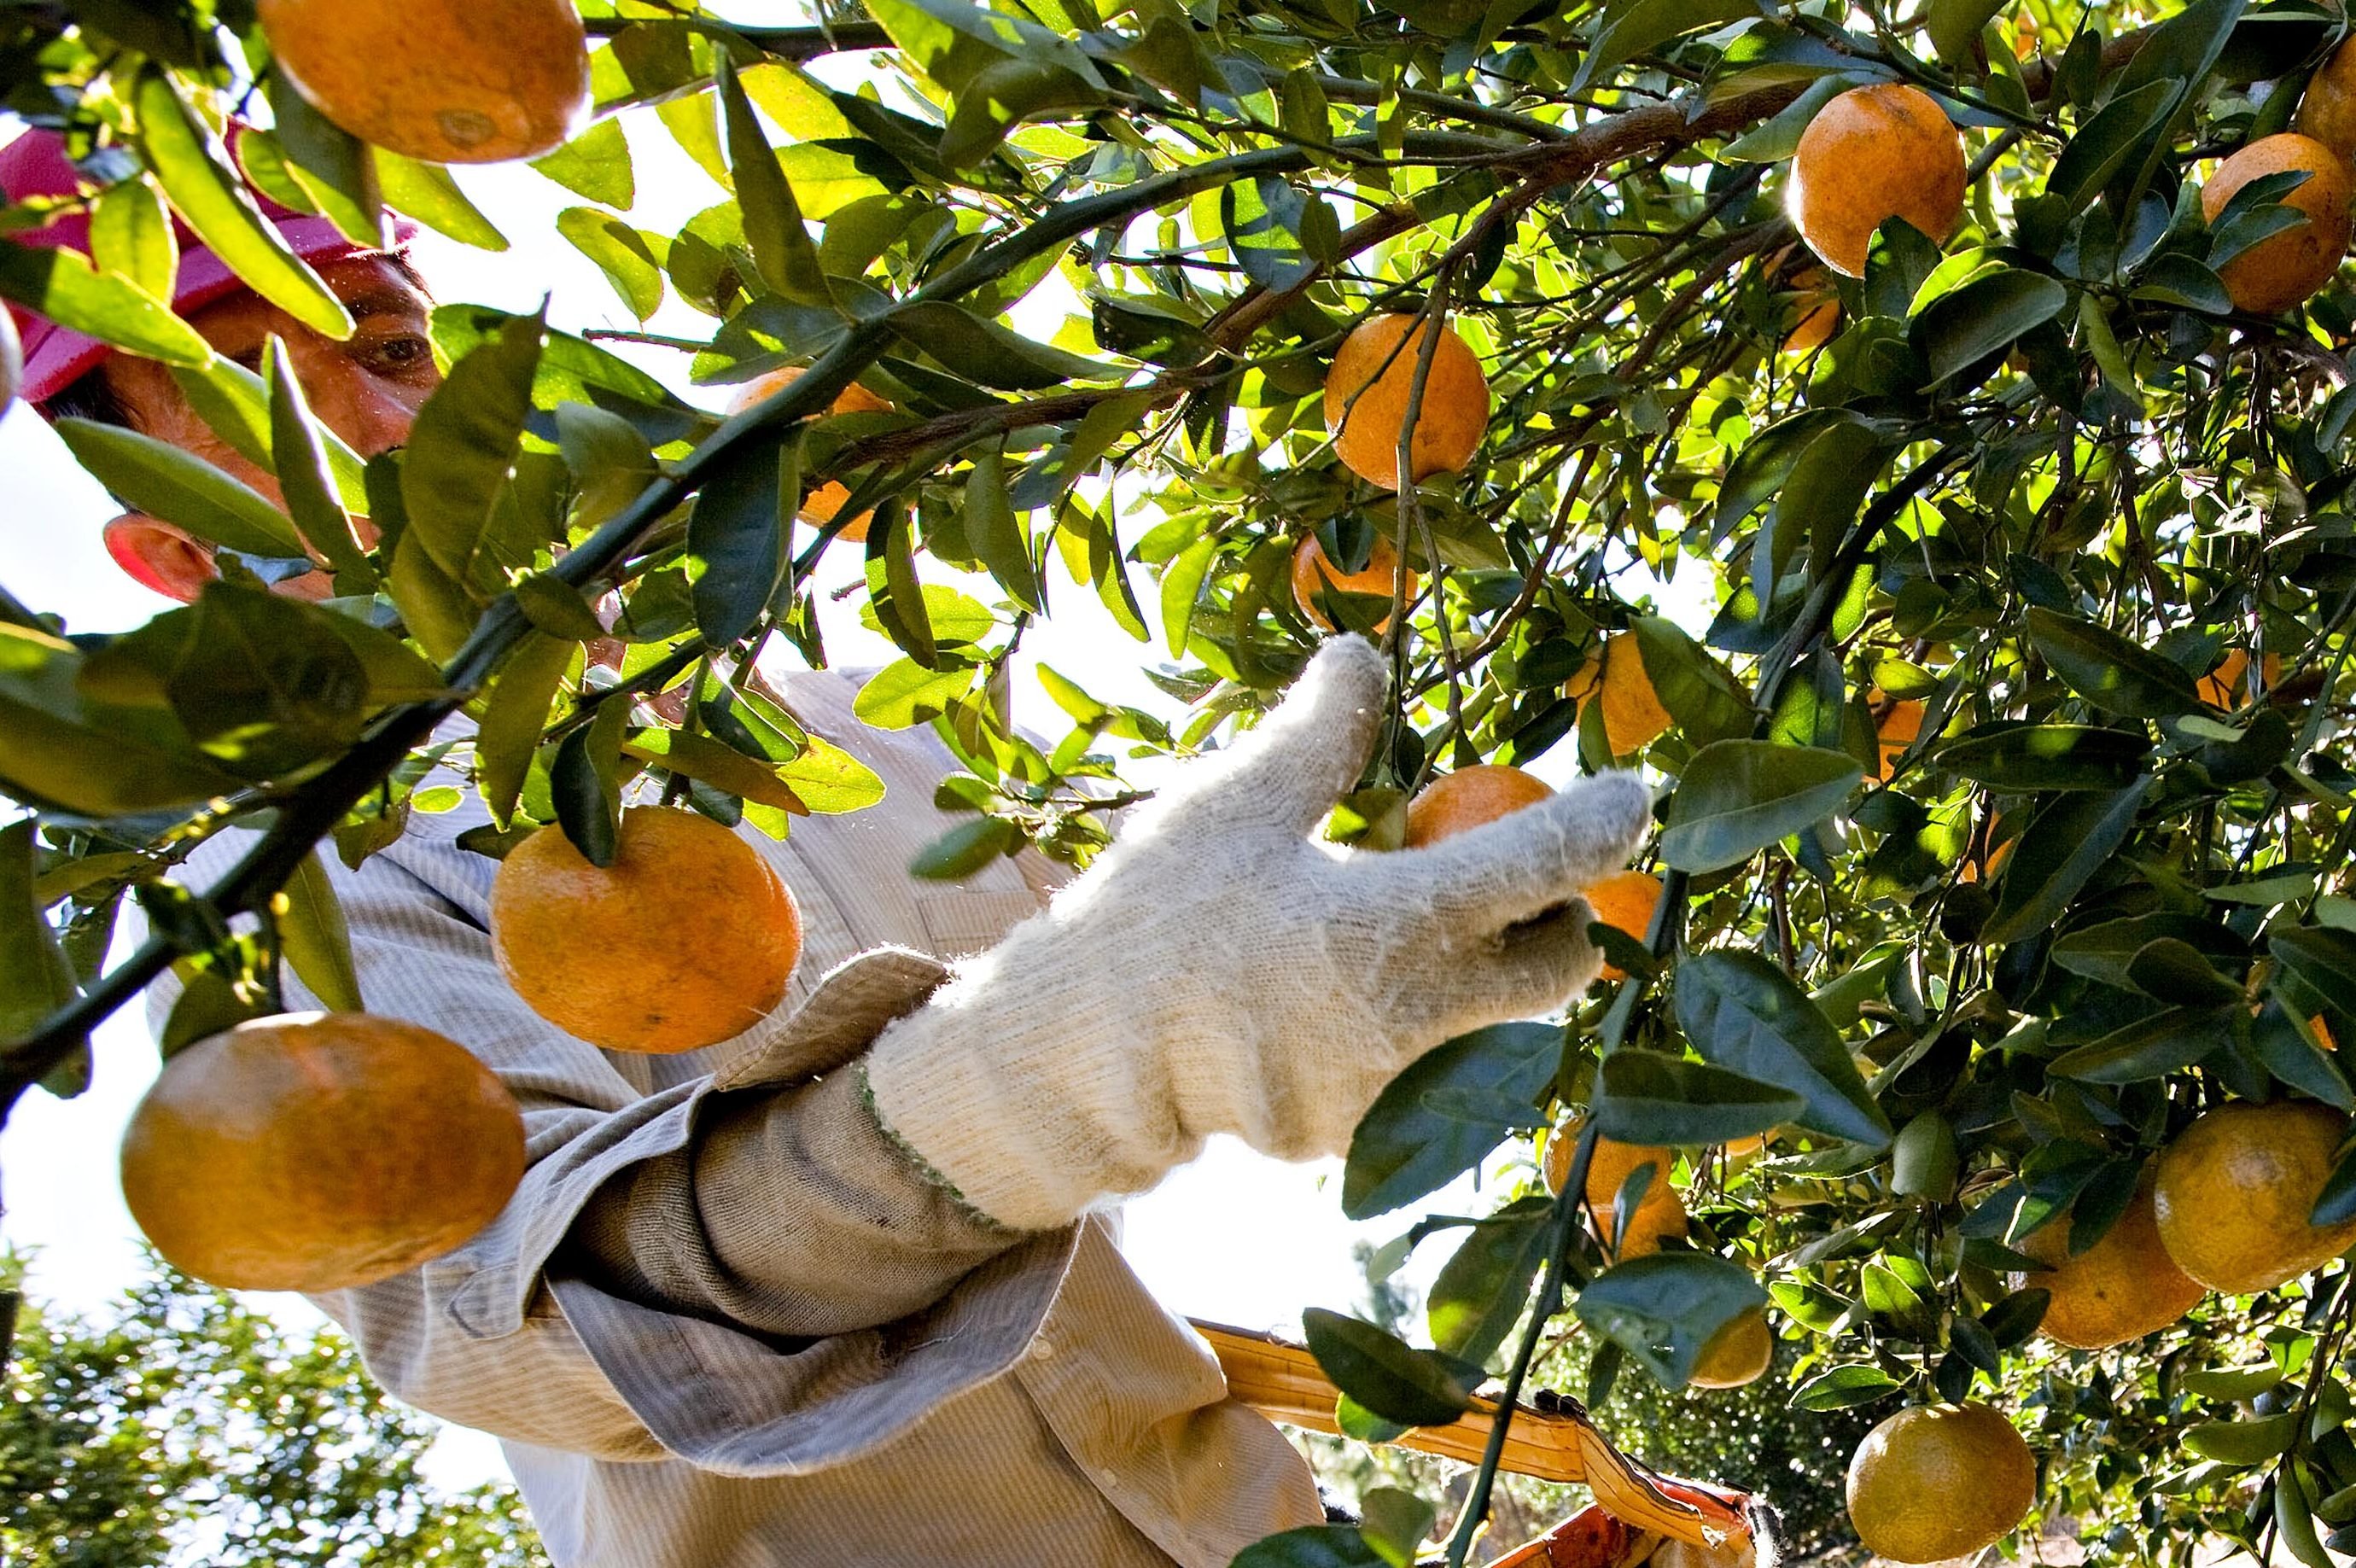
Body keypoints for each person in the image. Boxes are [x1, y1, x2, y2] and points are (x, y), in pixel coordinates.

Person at [1, 128, 1653, 1567]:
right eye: (284, 396)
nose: (394, 414)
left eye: (393, 343)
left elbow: (1219, 949)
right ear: (164, 550)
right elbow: (562, 1326)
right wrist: (1037, 1087)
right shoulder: (313, 926)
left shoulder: (840, 722)